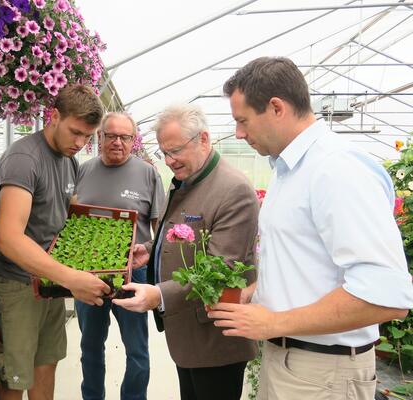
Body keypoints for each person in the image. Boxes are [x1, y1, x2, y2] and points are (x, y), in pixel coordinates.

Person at [210, 56, 413, 399]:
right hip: (292, 362)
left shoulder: (336, 170)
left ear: (276, 107)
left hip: (323, 373)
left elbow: (386, 297)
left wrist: (272, 323)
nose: (239, 133)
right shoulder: (289, 169)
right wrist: (254, 292)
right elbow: (306, 261)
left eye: (242, 121)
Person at [113, 104, 260, 400]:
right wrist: (150, 250)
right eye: (164, 153)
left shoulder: (233, 190)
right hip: (188, 334)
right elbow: (181, 233)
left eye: (175, 151)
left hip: (216, 340)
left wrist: (159, 295)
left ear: (203, 139)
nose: (169, 161)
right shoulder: (185, 180)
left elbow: (223, 267)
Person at [0, 84, 110, 400]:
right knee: (15, 375)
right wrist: (70, 277)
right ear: (53, 116)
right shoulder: (23, 158)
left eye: (88, 136)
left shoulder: (69, 160)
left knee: (47, 362)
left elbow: (67, 219)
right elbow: (10, 239)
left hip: (51, 284)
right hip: (18, 287)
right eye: (75, 132)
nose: (80, 143)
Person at [74, 112, 165, 400]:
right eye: (111, 135)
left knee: (137, 349)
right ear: (99, 137)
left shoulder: (148, 173)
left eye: (125, 137)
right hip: (89, 273)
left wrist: (152, 264)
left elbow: (159, 228)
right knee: (90, 346)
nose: (117, 142)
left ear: (132, 140)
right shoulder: (83, 170)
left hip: (132, 273)